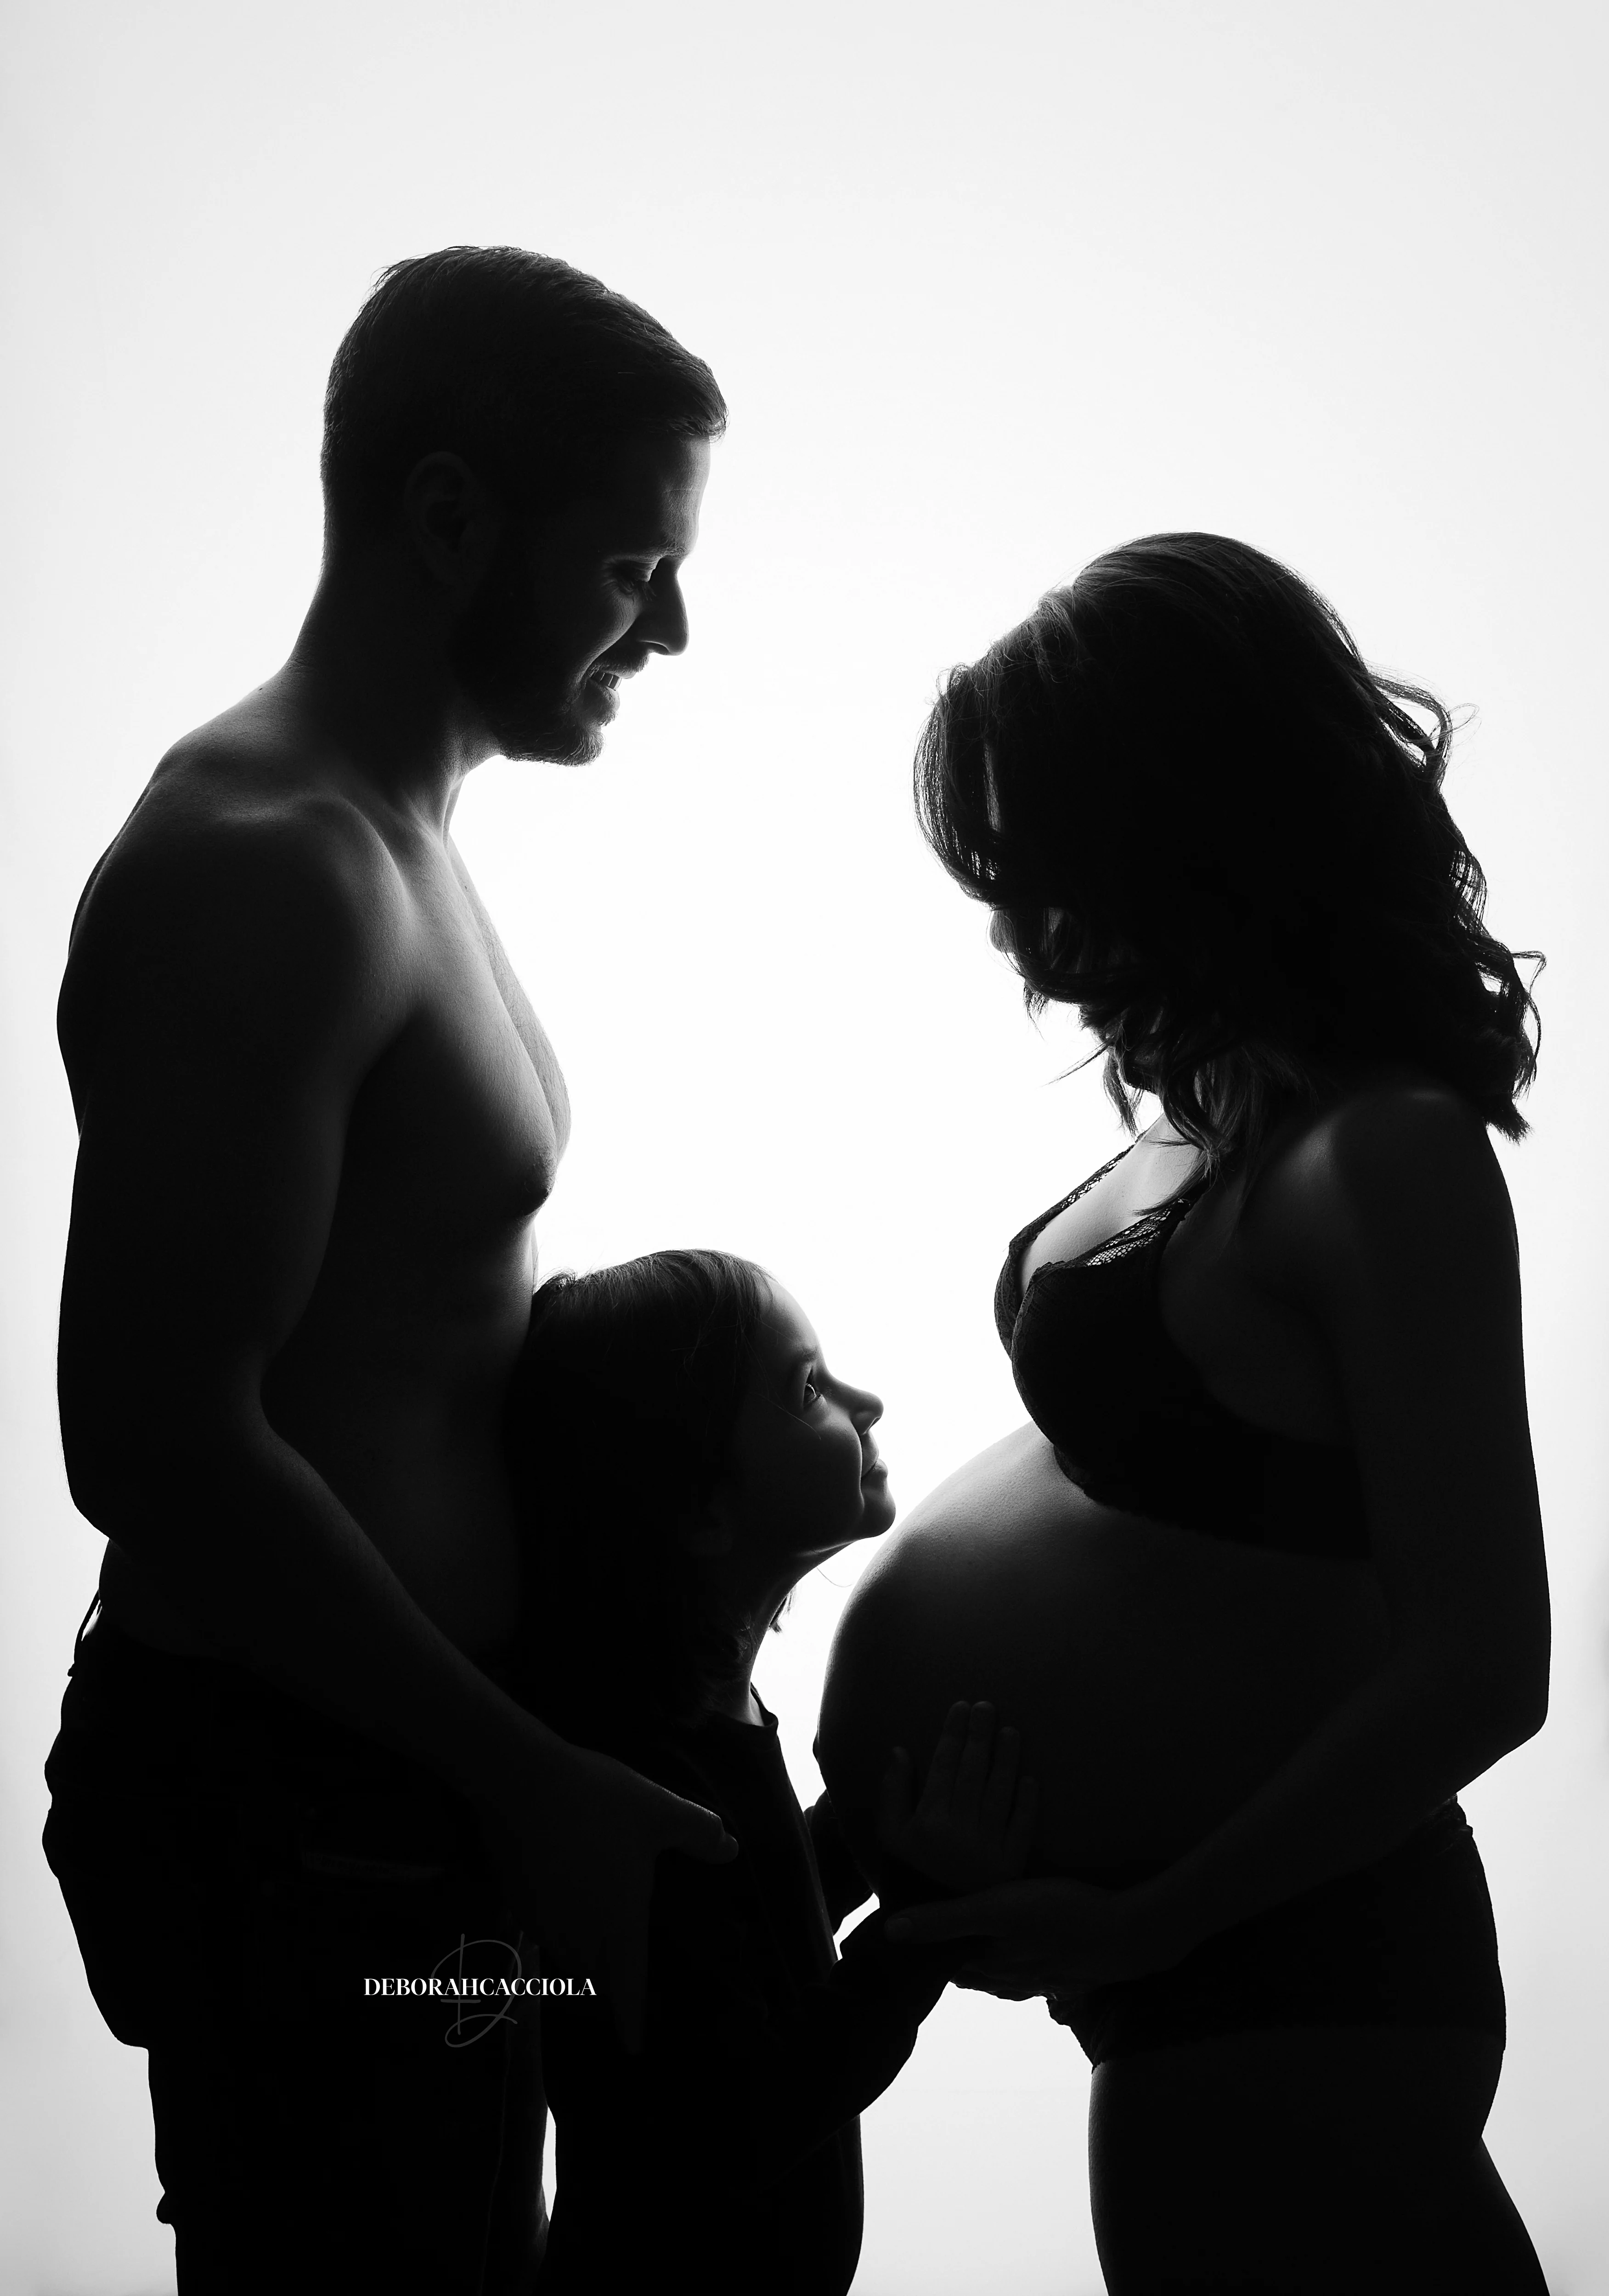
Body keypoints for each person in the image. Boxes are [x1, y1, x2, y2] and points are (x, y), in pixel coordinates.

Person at [43, 245, 737, 2295]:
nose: (671, 626)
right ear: (449, 519)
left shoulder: (400, 837)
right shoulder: (266, 868)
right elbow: (154, 1445)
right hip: (307, 1798)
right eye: (629, 566)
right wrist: (523, 1776)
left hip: (393, 1778)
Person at [818, 534, 1552, 2291]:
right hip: (1170, 1971)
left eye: (1038, 866)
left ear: (1183, 827)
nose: (1009, 924)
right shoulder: (1208, 1130)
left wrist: (1152, 1913)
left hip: (1299, 1966)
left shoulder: (1386, 1153)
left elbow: (1483, 1663)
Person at [503, 1250, 1036, 2294]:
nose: (864, 1402)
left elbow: (755, 1925)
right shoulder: (636, 1784)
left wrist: (865, 1829)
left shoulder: (702, 1726)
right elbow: (746, 2114)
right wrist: (921, 1917)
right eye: (806, 1390)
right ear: (703, 1510)